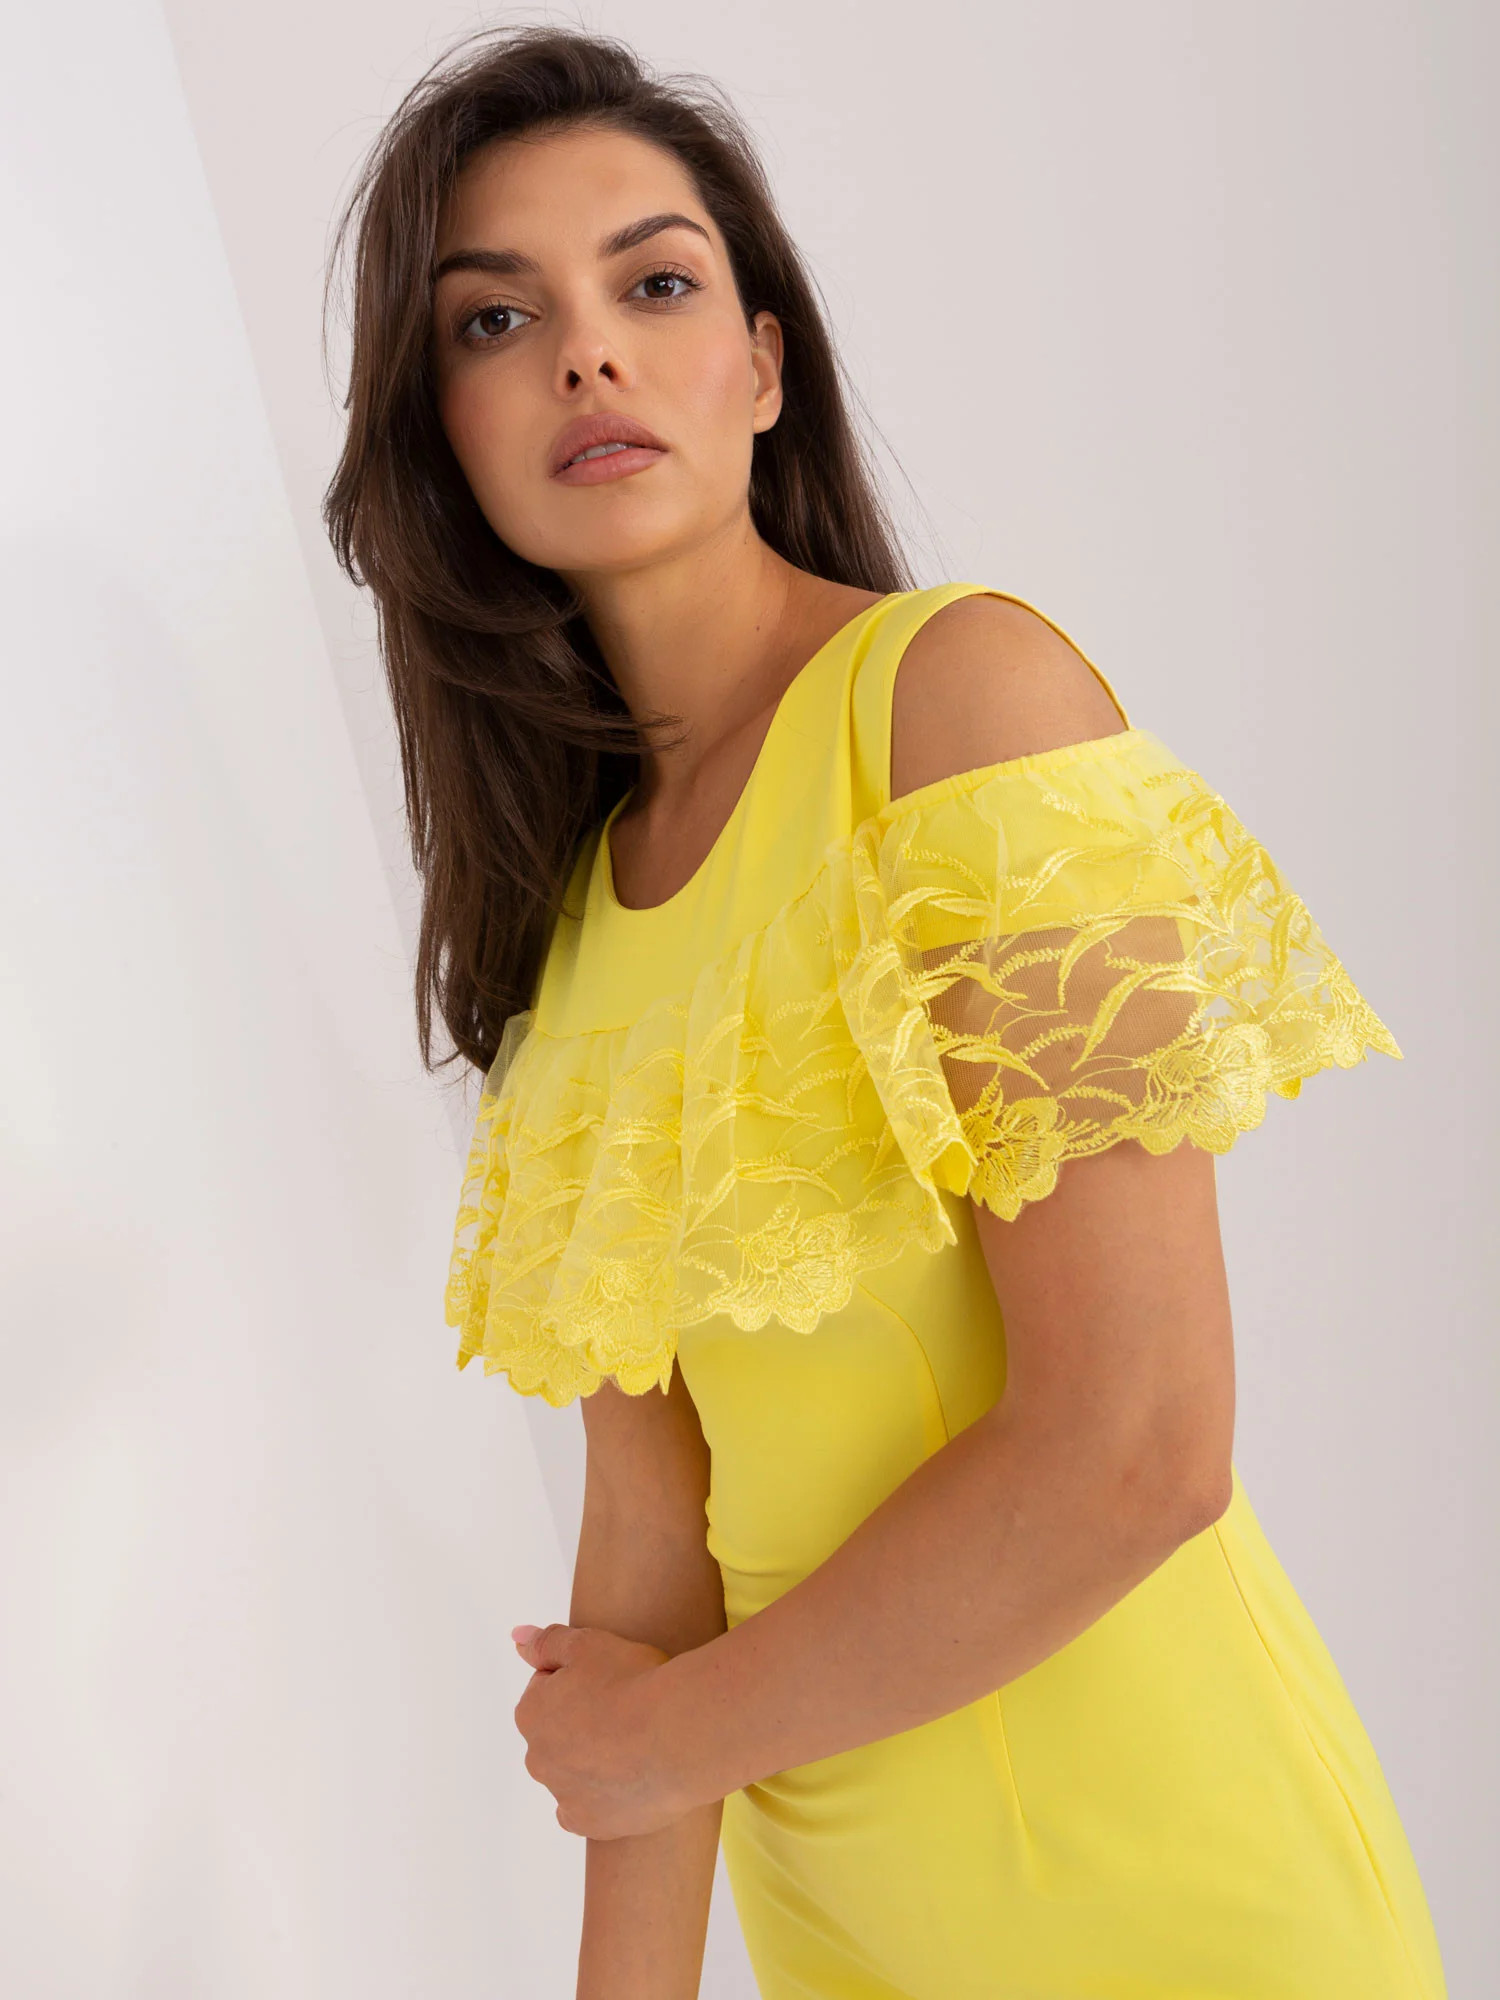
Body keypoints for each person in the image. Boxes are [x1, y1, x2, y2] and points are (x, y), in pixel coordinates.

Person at [323, 24, 1447, 2000]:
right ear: (444, 436)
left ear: (763, 367)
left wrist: (665, 1736)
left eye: (655, 285)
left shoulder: (960, 707)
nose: (586, 356)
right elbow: (649, 1557)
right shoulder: (570, 934)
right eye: (497, 320)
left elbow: (1142, 1442)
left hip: (1180, 1911)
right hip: (852, 1948)